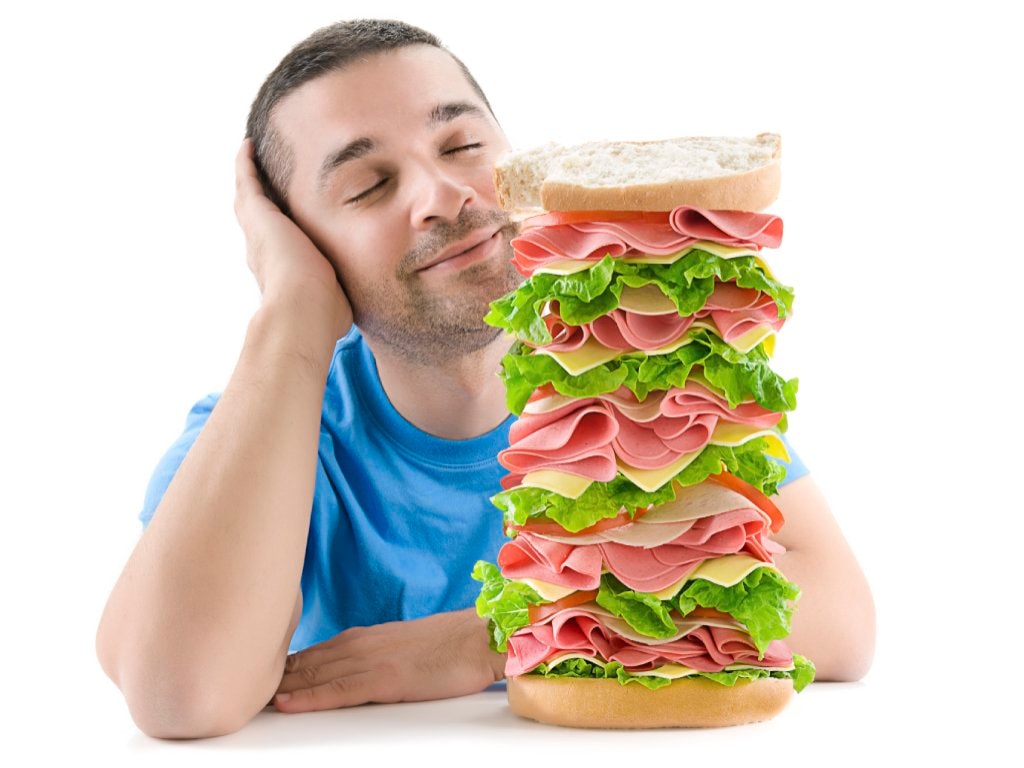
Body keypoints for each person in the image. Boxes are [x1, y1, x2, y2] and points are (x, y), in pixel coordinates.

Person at [95, 19, 875, 740]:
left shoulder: (647, 390)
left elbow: (842, 620)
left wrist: (497, 636)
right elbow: (178, 694)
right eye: (368, 185)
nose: (443, 197)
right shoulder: (260, 427)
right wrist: (290, 321)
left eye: (463, 145)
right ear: (301, 246)